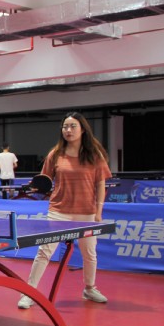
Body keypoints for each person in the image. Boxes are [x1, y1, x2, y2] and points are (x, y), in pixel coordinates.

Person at [18, 112, 112, 310]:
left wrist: (98, 211)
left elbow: (100, 184)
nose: (68, 130)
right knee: (44, 251)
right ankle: (29, 293)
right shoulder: (55, 154)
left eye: (73, 126)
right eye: (65, 127)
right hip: (59, 210)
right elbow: (44, 180)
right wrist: (35, 186)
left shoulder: (94, 155)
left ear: (83, 129)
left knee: (89, 253)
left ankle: (89, 288)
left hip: (86, 212)